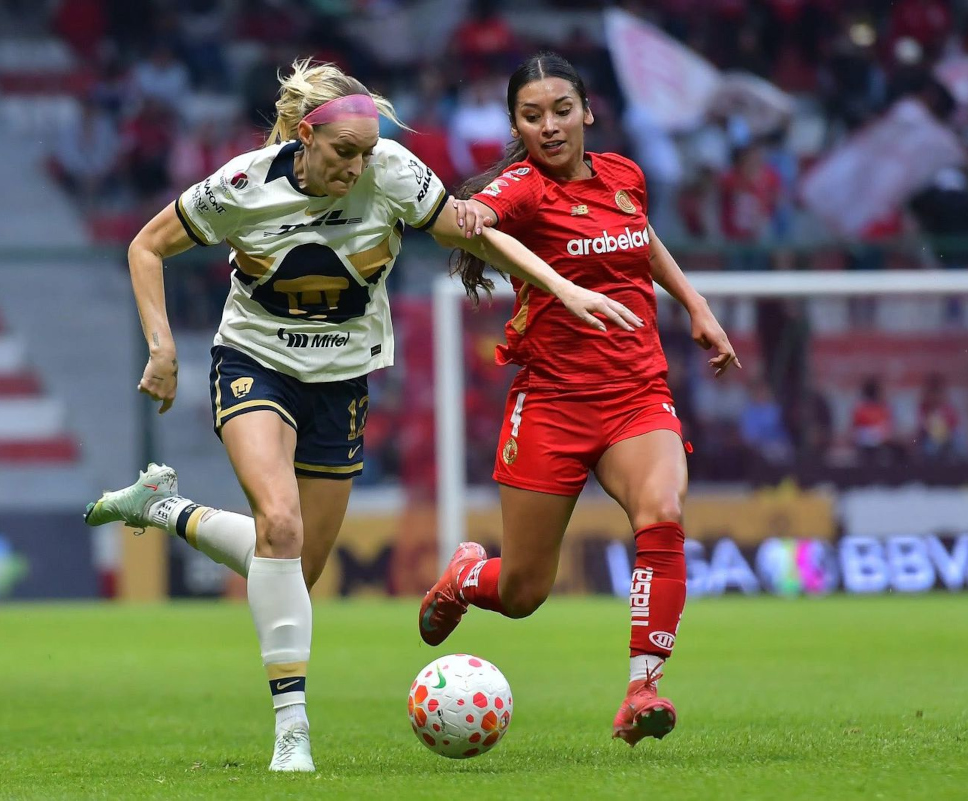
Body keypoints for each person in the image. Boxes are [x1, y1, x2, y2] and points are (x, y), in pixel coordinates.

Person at [82, 58, 638, 773]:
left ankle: (163, 508)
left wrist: (561, 286)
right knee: (280, 525)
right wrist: (162, 346)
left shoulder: (392, 172)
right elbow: (146, 246)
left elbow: (470, 233)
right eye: (345, 152)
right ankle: (292, 731)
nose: (357, 166)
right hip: (254, 363)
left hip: (342, 382)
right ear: (304, 137)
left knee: (293, 564)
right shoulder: (242, 185)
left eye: (367, 151)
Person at [416, 53, 740, 747]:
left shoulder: (625, 175)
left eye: (562, 110)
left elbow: (643, 239)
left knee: (663, 512)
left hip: (636, 394)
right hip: (553, 404)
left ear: (588, 111)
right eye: (532, 115)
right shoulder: (522, 189)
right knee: (524, 591)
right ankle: (467, 577)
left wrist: (696, 304)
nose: (550, 125)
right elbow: (481, 218)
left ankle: (642, 688)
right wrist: (467, 213)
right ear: (515, 126)